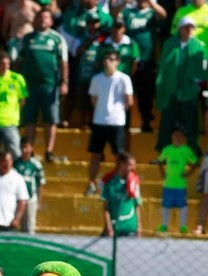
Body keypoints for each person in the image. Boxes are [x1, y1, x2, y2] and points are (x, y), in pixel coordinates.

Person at [16, 8, 66, 163]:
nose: (43, 20)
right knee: (29, 119)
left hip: (50, 85)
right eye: (40, 17)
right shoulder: (26, 38)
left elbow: (64, 62)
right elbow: (18, 61)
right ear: (35, 20)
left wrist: (65, 82)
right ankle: (29, 150)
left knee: (50, 119)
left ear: (51, 21)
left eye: (46, 17)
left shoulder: (57, 39)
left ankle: (49, 151)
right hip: (29, 85)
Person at [85, 50, 133, 196]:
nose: (108, 62)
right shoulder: (96, 79)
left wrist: (116, 112)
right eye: (106, 59)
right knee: (95, 154)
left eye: (111, 59)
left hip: (117, 122)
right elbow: (93, 100)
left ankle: (121, 183)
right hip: (99, 121)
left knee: (119, 155)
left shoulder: (124, 79)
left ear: (118, 62)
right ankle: (91, 184)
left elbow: (129, 101)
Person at [156, 18, 206, 155]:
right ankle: (162, 154)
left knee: (191, 126)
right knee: (166, 125)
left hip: (189, 93)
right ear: (179, 29)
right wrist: (161, 88)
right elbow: (163, 68)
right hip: (171, 91)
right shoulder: (169, 44)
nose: (189, 30)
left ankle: (193, 155)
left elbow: (204, 67)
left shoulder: (199, 46)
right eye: (186, 27)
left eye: (191, 27)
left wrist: (198, 80)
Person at [123, 0, 163, 133]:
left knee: (145, 93)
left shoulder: (151, 13)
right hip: (128, 59)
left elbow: (163, 15)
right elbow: (113, 13)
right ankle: (124, 123)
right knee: (127, 91)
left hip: (147, 60)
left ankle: (146, 122)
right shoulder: (129, 12)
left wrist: (152, 3)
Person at [156, 126, 197, 232]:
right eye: (175, 135)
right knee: (166, 205)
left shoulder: (187, 150)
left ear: (183, 137)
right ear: (171, 136)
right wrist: (162, 173)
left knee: (182, 205)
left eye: (180, 135)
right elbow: (160, 161)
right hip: (168, 183)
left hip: (181, 184)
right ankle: (164, 225)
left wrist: (188, 173)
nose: (177, 137)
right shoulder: (167, 149)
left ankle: (183, 226)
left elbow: (195, 163)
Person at [100, 151, 142, 237]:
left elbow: (137, 205)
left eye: (134, 165)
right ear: (121, 164)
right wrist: (108, 226)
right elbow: (105, 207)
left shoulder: (134, 182)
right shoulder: (109, 183)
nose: (133, 168)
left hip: (131, 228)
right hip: (113, 228)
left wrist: (139, 226)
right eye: (130, 164)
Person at [14, 139, 45, 232]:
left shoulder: (36, 164)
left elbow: (41, 183)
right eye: (22, 147)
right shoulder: (15, 163)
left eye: (26, 147)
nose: (24, 150)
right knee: (14, 227)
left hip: (31, 200)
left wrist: (39, 202)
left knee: (29, 228)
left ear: (31, 148)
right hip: (17, 201)